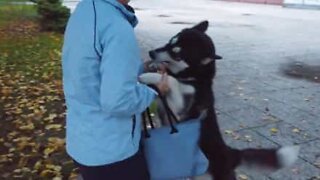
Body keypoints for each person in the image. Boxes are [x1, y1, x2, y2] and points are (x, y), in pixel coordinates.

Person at [62, 0, 168, 179]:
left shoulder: (84, 11)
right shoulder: (117, 27)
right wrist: (154, 88)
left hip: (83, 144)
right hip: (113, 153)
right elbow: (118, 101)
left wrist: (139, 68)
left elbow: (90, 71)